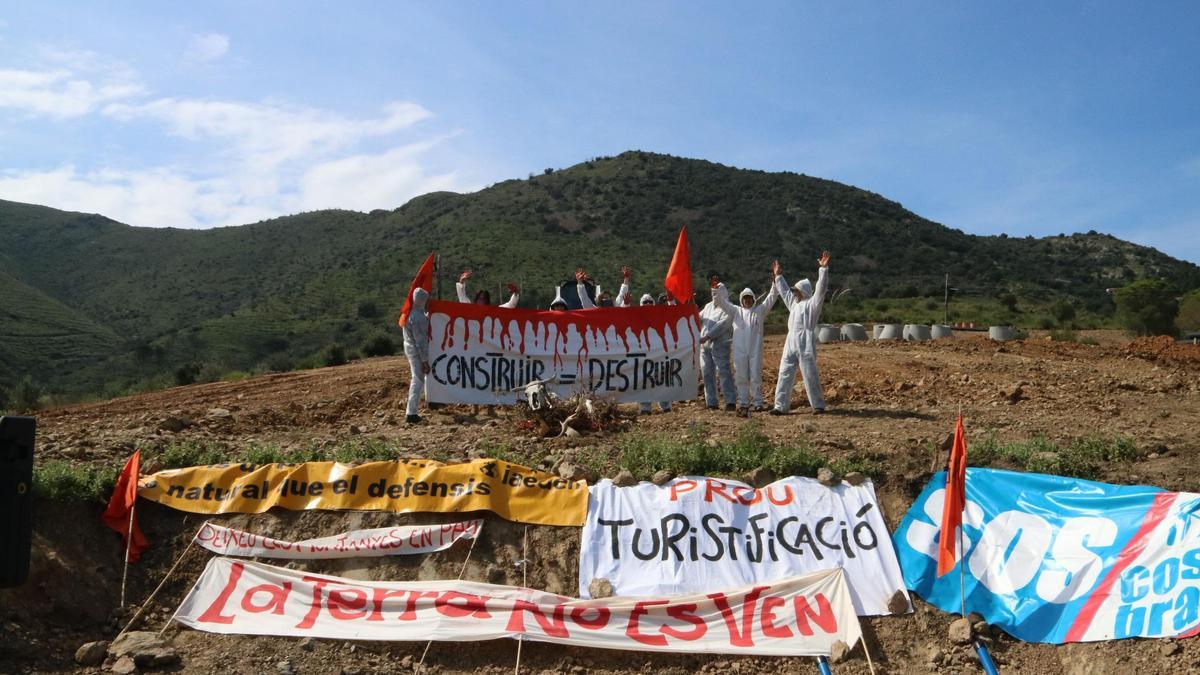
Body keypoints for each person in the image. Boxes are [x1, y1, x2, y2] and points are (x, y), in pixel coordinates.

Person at [770, 252, 830, 415]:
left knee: (809, 374)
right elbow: (784, 292)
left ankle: (817, 406)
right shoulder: (794, 304)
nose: (794, 293)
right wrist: (778, 276)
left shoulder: (812, 304)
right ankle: (780, 406)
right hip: (790, 341)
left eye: (796, 291)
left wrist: (823, 270)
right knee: (784, 373)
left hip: (805, 342)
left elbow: (821, 290)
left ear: (803, 291)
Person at [711, 277, 779, 413]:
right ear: (741, 300)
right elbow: (721, 302)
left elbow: (771, 298)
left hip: (755, 350)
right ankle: (743, 403)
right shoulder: (736, 311)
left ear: (753, 299)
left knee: (756, 376)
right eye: (745, 298)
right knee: (741, 376)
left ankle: (758, 402)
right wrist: (715, 290)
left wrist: (775, 282)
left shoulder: (760, 311)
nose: (747, 300)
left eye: (749, 298)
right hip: (739, 351)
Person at [699, 273, 737, 411]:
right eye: (713, 291)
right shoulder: (708, 306)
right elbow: (699, 318)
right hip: (704, 345)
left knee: (723, 372)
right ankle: (711, 402)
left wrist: (708, 336)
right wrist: (690, 307)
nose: (714, 294)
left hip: (720, 344)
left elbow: (722, 325)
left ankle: (730, 401)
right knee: (706, 373)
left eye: (717, 291)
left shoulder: (729, 308)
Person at [634, 292, 672, 415]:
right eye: (645, 302)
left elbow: (674, 314)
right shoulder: (635, 317)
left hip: (658, 352)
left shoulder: (660, 315)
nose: (648, 304)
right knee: (643, 380)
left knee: (661, 378)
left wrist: (670, 302)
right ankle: (645, 407)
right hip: (642, 353)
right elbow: (622, 317)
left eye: (650, 302)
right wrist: (626, 304)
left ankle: (666, 405)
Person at [401, 287, 431, 424]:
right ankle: (411, 413)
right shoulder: (417, 317)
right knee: (417, 379)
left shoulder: (412, 314)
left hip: (410, 348)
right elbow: (420, 341)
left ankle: (417, 407)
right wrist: (425, 361)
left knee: (418, 379)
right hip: (416, 352)